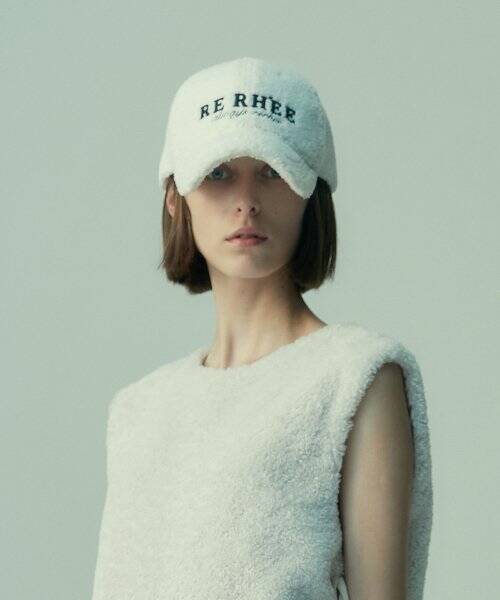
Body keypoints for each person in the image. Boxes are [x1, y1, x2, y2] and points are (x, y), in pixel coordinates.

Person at [90, 57, 433, 600]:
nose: (246, 203)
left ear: (310, 193)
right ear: (175, 199)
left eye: (272, 172)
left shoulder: (356, 378)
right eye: (218, 173)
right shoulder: (137, 411)